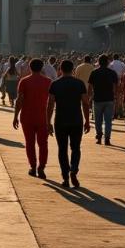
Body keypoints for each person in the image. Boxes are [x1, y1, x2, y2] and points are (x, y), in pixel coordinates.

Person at [47, 60, 90, 188]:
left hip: (60, 120)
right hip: (76, 119)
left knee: (62, 149)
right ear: (73, 69)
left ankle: (65, 177)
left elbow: (50, 104)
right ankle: (74, 169)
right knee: (76, 148)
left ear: (60, 69)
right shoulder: (79, 83)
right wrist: (87, 121)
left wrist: (48, 121)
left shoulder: (55, 84)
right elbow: (85, 103)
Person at [13, 58, 52, 178]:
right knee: (43, 143)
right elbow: (51, 102)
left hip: (27, 116)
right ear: (42, 68)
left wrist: (15, 116)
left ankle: (33, 166)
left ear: (30, 67)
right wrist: (49, 121)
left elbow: (19, 100)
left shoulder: (24, 81)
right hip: (43, 117)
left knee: (29, 143)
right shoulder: (48, 82)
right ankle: (42, 167)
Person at [88, 54, 117, 145]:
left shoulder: (94, 72)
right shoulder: (112, 73)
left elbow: (90, 87)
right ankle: (107, 138)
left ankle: (99, 136)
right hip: (109, 99)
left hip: (97, 99)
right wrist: (114, 95)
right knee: (108, 120)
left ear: (99, 62)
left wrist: (90, 97)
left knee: (98, 120)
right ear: (108, 62)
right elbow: (116, 86)